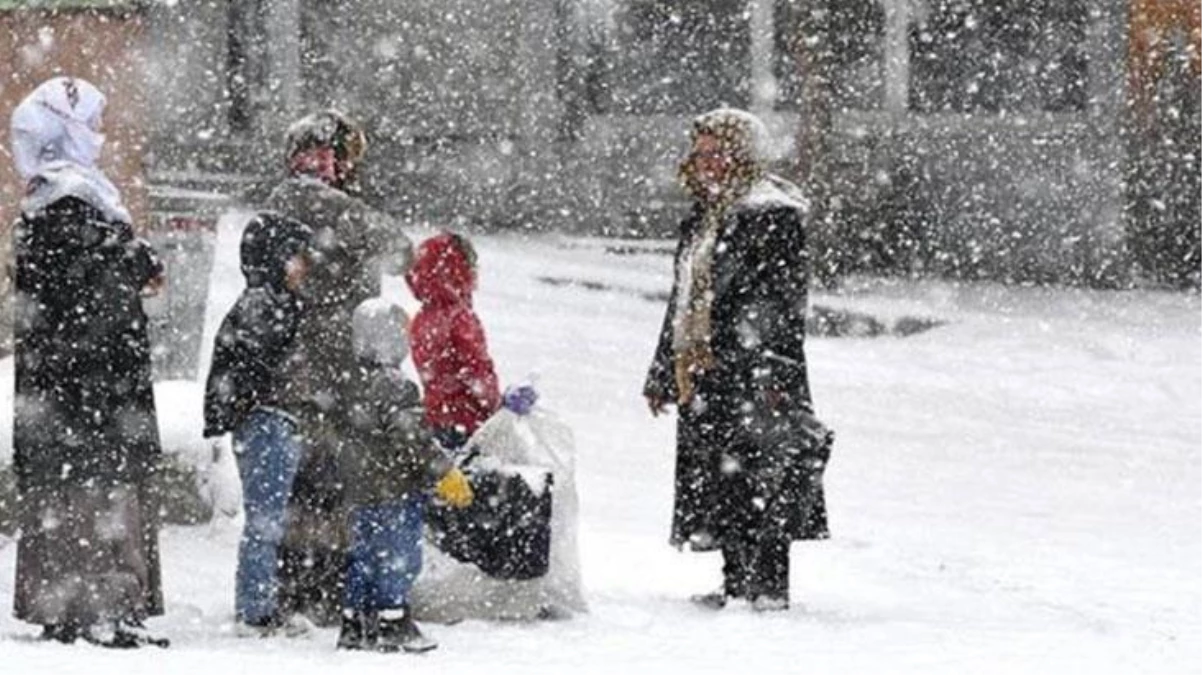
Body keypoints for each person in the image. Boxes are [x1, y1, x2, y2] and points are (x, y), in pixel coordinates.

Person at [643, 108, 831, 612]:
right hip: (705, 368)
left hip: (755, 368)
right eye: (698, 152)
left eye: (715, 152)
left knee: (763, 472)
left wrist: (774, 371)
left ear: (742, 154)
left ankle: (768, 587)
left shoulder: (771, 215)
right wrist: (663, 371)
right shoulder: (706, 215)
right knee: (720, 475)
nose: (704, 162)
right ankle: (734, 581)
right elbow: (683, 298)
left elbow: (781, 302)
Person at [9, 76, 168, 647]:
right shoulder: (67, 200)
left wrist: (128, 259)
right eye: (90, 124)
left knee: (79, 494)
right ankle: (96, 607)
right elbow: (87, 288)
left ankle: (86, 605)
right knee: (95, 496)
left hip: (70, 389)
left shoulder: (62, 198)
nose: (99, 134)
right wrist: (133, 260)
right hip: (87, 390)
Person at [263, 109, 414, 624]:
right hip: (324, 366)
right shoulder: (316, 200)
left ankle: (304, 585)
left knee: (310, 480)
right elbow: (399, 250)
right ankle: (316, 588)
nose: (348, 166)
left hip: (309, 363)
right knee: (324, 477)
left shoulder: (290, 199)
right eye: (343, 155)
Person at [336, 298, 473, 652]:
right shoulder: (396, 385)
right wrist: (444, 472)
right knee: (398, 558)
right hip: (393, 490)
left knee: (362, 557)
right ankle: (392, 621)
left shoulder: (348, 381)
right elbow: (413, 439)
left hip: (357, 492)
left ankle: (355, 622)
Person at [202, 214, 314, 636]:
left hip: (275, 419)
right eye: (296, 257)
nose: (303, 266)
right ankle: (255, 609)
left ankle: (267, 601)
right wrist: (260, 402)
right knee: (266, 521)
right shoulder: (264, 305)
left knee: (274, 519)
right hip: (267, 422)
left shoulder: (274, 302)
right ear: (275, 258)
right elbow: (247, 368)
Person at [405, 232, 535, 450]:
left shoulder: (422, 318)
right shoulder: (459, 318)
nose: (475, 273)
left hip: (437, 419)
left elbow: (439, 374)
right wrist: (501, 403)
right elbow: (476, 373)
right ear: (456, 270)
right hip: (467, 424)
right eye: (471, 265)